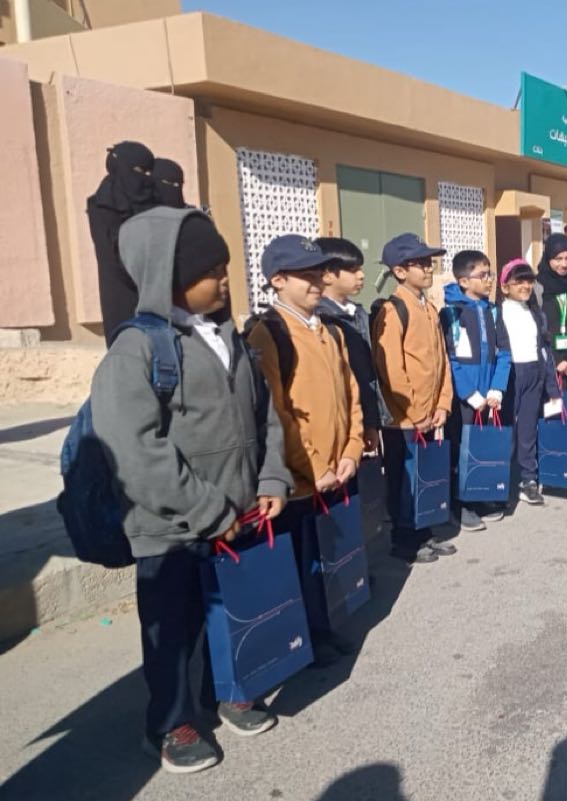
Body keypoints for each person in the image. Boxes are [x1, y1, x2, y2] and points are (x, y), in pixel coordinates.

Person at [92, 207, 291, 773]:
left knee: (229, 614)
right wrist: (205, 508)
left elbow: (265, 415)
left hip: (235, 512)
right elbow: (135, 449)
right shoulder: (137, 350)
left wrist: (271, 477)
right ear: (167, 276)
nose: (225, 279)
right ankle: (171, 721)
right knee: (173, 630)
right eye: (210, 271)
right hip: (172, 525)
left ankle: (228, 690)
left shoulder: (232, 338)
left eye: (225, 267)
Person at [246, 235, 364, 665]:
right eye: (306, 275)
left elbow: (351, 395)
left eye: (319, 273)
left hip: (337, 469)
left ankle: (323, 628)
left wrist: (351, 449)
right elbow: (277, 412)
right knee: (300, 564)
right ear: (278, 280)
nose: (318, 282)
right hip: (300, 479)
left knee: (327, 558)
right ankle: (301, 642)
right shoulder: (269, 333)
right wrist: (313, 466)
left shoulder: (330, 331)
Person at [371, 233, 456, 564]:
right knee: (404, 478)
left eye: (429, 262)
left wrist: (443, 403)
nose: (428, 268)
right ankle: (404, 539)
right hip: (405, 418)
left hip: (430, 413)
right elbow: (391, 369)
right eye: (419, 263)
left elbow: (442, 361)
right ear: (399, 271)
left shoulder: (429, 308)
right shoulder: (393, 311)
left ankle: (423, 529)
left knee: (425, 474)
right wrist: (416, 410)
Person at [442, 249, 512, 528]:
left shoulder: (493, 311)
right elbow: (450, 358)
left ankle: (481, 494)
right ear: (463, 281)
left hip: (489, 395)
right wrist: (469, 394)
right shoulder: (451, 313)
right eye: (482, 275)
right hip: (465, 397)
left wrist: (497, 388)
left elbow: (504, 352)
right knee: (462, 448)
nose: (489, 280)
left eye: (490, 273)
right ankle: (461, 504)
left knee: (484, 445)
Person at [496, 259, 562, 505]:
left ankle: (528, 480)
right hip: (509, 375)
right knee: (506, 431)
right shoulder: (498, 313)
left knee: (527, 430)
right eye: (519, 281)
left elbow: (545, 351)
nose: (525, 286)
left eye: (529, 281)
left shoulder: (535, 313)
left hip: (534, 373)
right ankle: (500, 482)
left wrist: (552, 387)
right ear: (505, 287)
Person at [316, 237, 388, 455]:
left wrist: (372, 422)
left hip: (364, 419)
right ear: (327, 275)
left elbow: (368, 375)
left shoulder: (358, 313)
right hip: (339, 426)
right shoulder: (321, 319)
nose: (361, 275)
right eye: (353, 270)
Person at [87, 141, 157, 343]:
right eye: (140, 171)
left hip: (156, 293)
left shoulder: (152, 199)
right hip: (121, 292)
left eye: (149, 172)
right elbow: (114, 252)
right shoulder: (103, 206)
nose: (146, 178)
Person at [534, 233, 567, 384]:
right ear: (548, 258)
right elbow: (537, 326)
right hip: (546, 361)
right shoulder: (538, 286)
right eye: (558, 259)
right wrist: (556, 359)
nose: (564, 264)